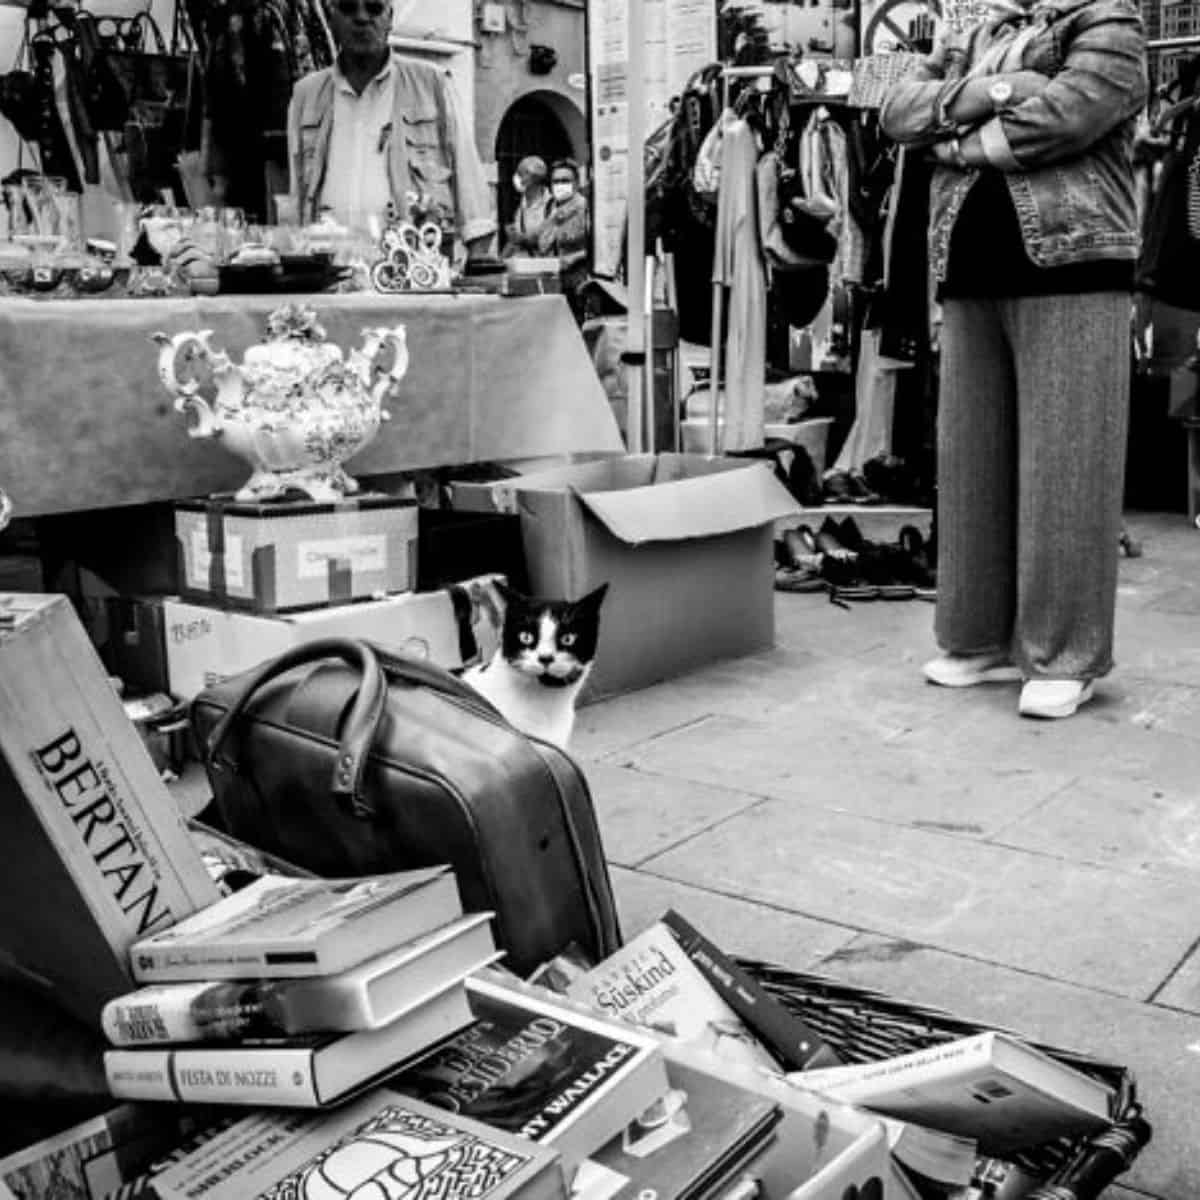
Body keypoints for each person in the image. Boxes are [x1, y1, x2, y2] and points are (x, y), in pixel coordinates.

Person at [879, 0, 1147, 720]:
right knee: (971, 466)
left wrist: (959, 140)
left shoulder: (1109, 24)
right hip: (967, 268)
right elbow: (897, 112)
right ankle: (978, 640)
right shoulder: (975, 35)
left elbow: (1065, 116)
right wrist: (995, 90)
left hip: (1073, 264)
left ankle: (1065, 654)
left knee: (1066, 465)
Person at [286, 0, 494, 256]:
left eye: (374, 8)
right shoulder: (306, 94)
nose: (362, 18)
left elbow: (471, 192)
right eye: (349, 9)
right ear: (332, 19)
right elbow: (297, 197)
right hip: (328, 275)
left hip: (412, 277)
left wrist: (480, 265)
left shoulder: (432, 84)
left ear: (390, 19)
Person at [538, 159, 590, 317]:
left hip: (579, 282)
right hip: (554, 282)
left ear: (576, 183)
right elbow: (544, 243)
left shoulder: (585, 208)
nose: (560, 185)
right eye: (556, 181)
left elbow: (598, 247)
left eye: (565, 181)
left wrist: (574, 257)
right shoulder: (551, 208)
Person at [504, 156, 551, 258]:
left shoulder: (551, 204)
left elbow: (549, 236)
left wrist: (522, 239)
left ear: (533, 177)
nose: (517, 178)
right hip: (524, 265)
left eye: (521, 174)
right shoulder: (521, 207)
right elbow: (513, 243)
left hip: (547, 266)